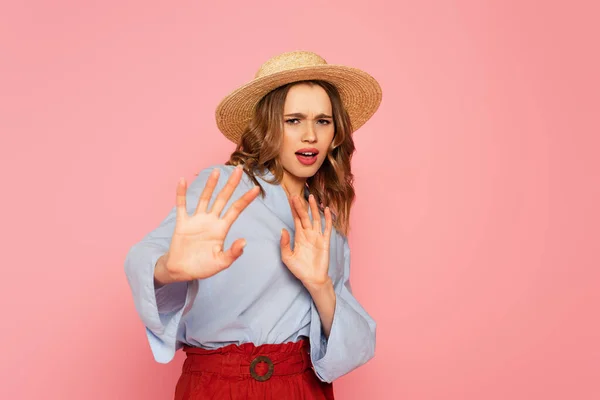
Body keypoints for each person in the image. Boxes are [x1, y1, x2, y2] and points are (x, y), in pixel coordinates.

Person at [124, 50, 382, 399]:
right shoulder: (226, 187)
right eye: (293, 120)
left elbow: (351, 348)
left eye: (323, 121)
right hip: (219, 386)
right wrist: (168, 269)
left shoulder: (325, 221)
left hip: (303, 388)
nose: (310, 135)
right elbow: (146, 254)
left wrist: (320, 285)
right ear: (269, 126)